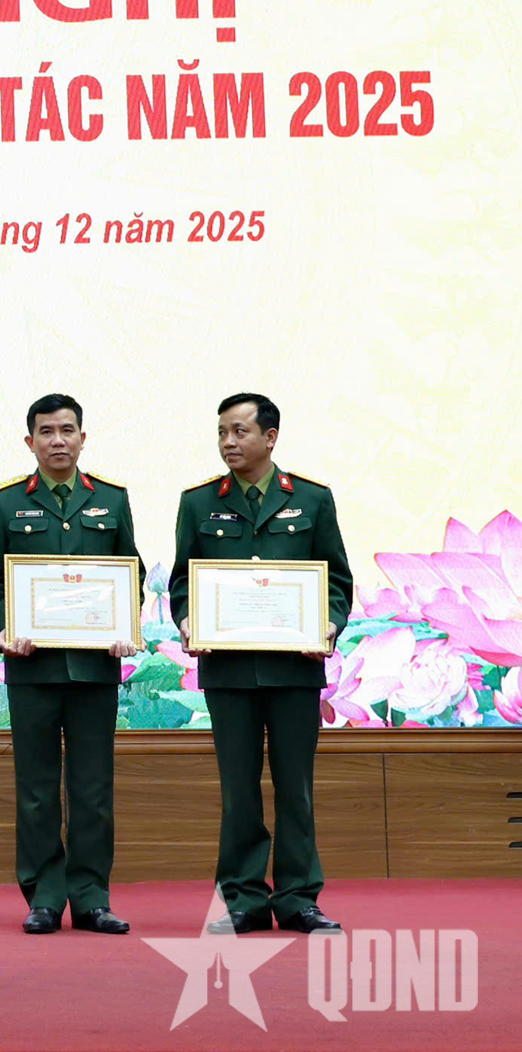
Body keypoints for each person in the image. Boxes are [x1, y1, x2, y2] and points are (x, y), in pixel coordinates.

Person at [172, 392, 350, 935]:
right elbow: (182, 581)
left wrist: (329, 624)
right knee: (239, 792)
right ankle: (243, 899)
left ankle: (298, 898)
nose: (228, 442)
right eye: (222, 432)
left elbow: (337, 581)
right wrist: (187, 619)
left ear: (270, 437)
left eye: (240, 431)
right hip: (228, 672)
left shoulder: (312, 500)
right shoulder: (198, 503)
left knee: (296, 788)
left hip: (294, 670)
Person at [0, 394, 141, 935]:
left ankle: (92, 898)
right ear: (31, 442)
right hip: (33, 668)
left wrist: (124, 626)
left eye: (67, 430)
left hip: (94, 670)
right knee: (37, 789)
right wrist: (3, 630)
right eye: (46, 432)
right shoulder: (5, 503)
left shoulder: (111, 499)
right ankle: (44, 896)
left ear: (82, 438)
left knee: (93, 790)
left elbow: (129, 574)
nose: (58, 440)